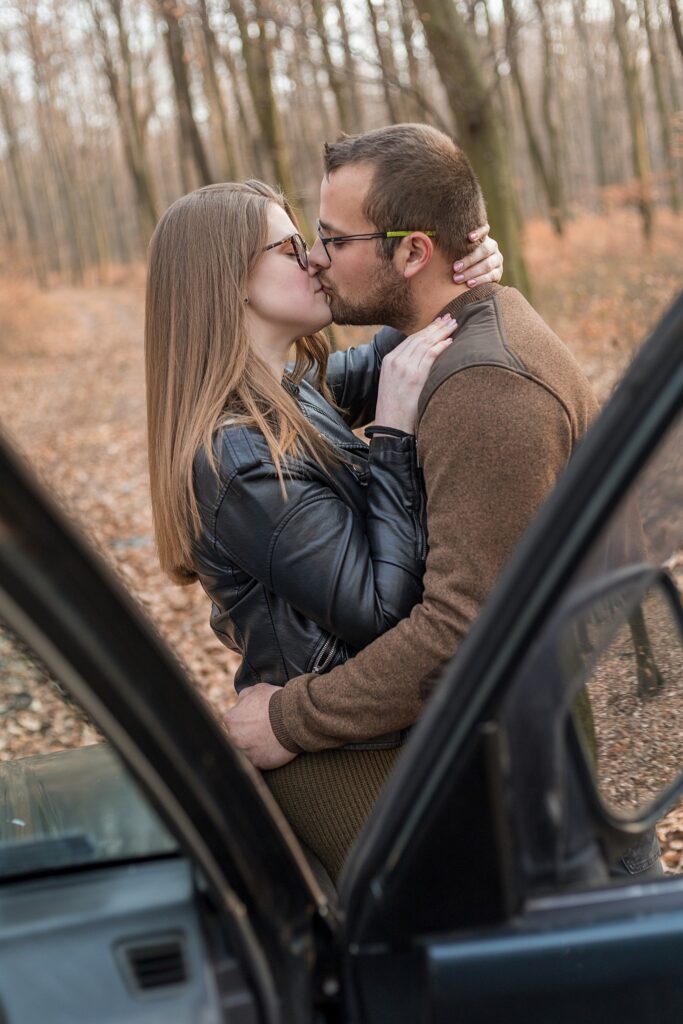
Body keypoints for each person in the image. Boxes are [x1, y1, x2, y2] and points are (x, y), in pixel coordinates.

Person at [224, 124, 602, 879]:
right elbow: (312, 398)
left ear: (411, 253)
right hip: (485, 739)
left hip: (529, 774)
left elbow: (462, 629)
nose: (317, 259)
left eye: (333, 240)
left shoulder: (487, 389)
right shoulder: (442, 344)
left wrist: (290, 719)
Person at [144, 175, 502, 880]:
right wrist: (391, 436)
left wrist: (451, 278)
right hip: (347, 765)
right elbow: (381, 612)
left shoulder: (287, 389)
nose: (313, 258)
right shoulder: (237, 456)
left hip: (376, 733)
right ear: (229, 280)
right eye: (289, 248)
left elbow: (387, 357)